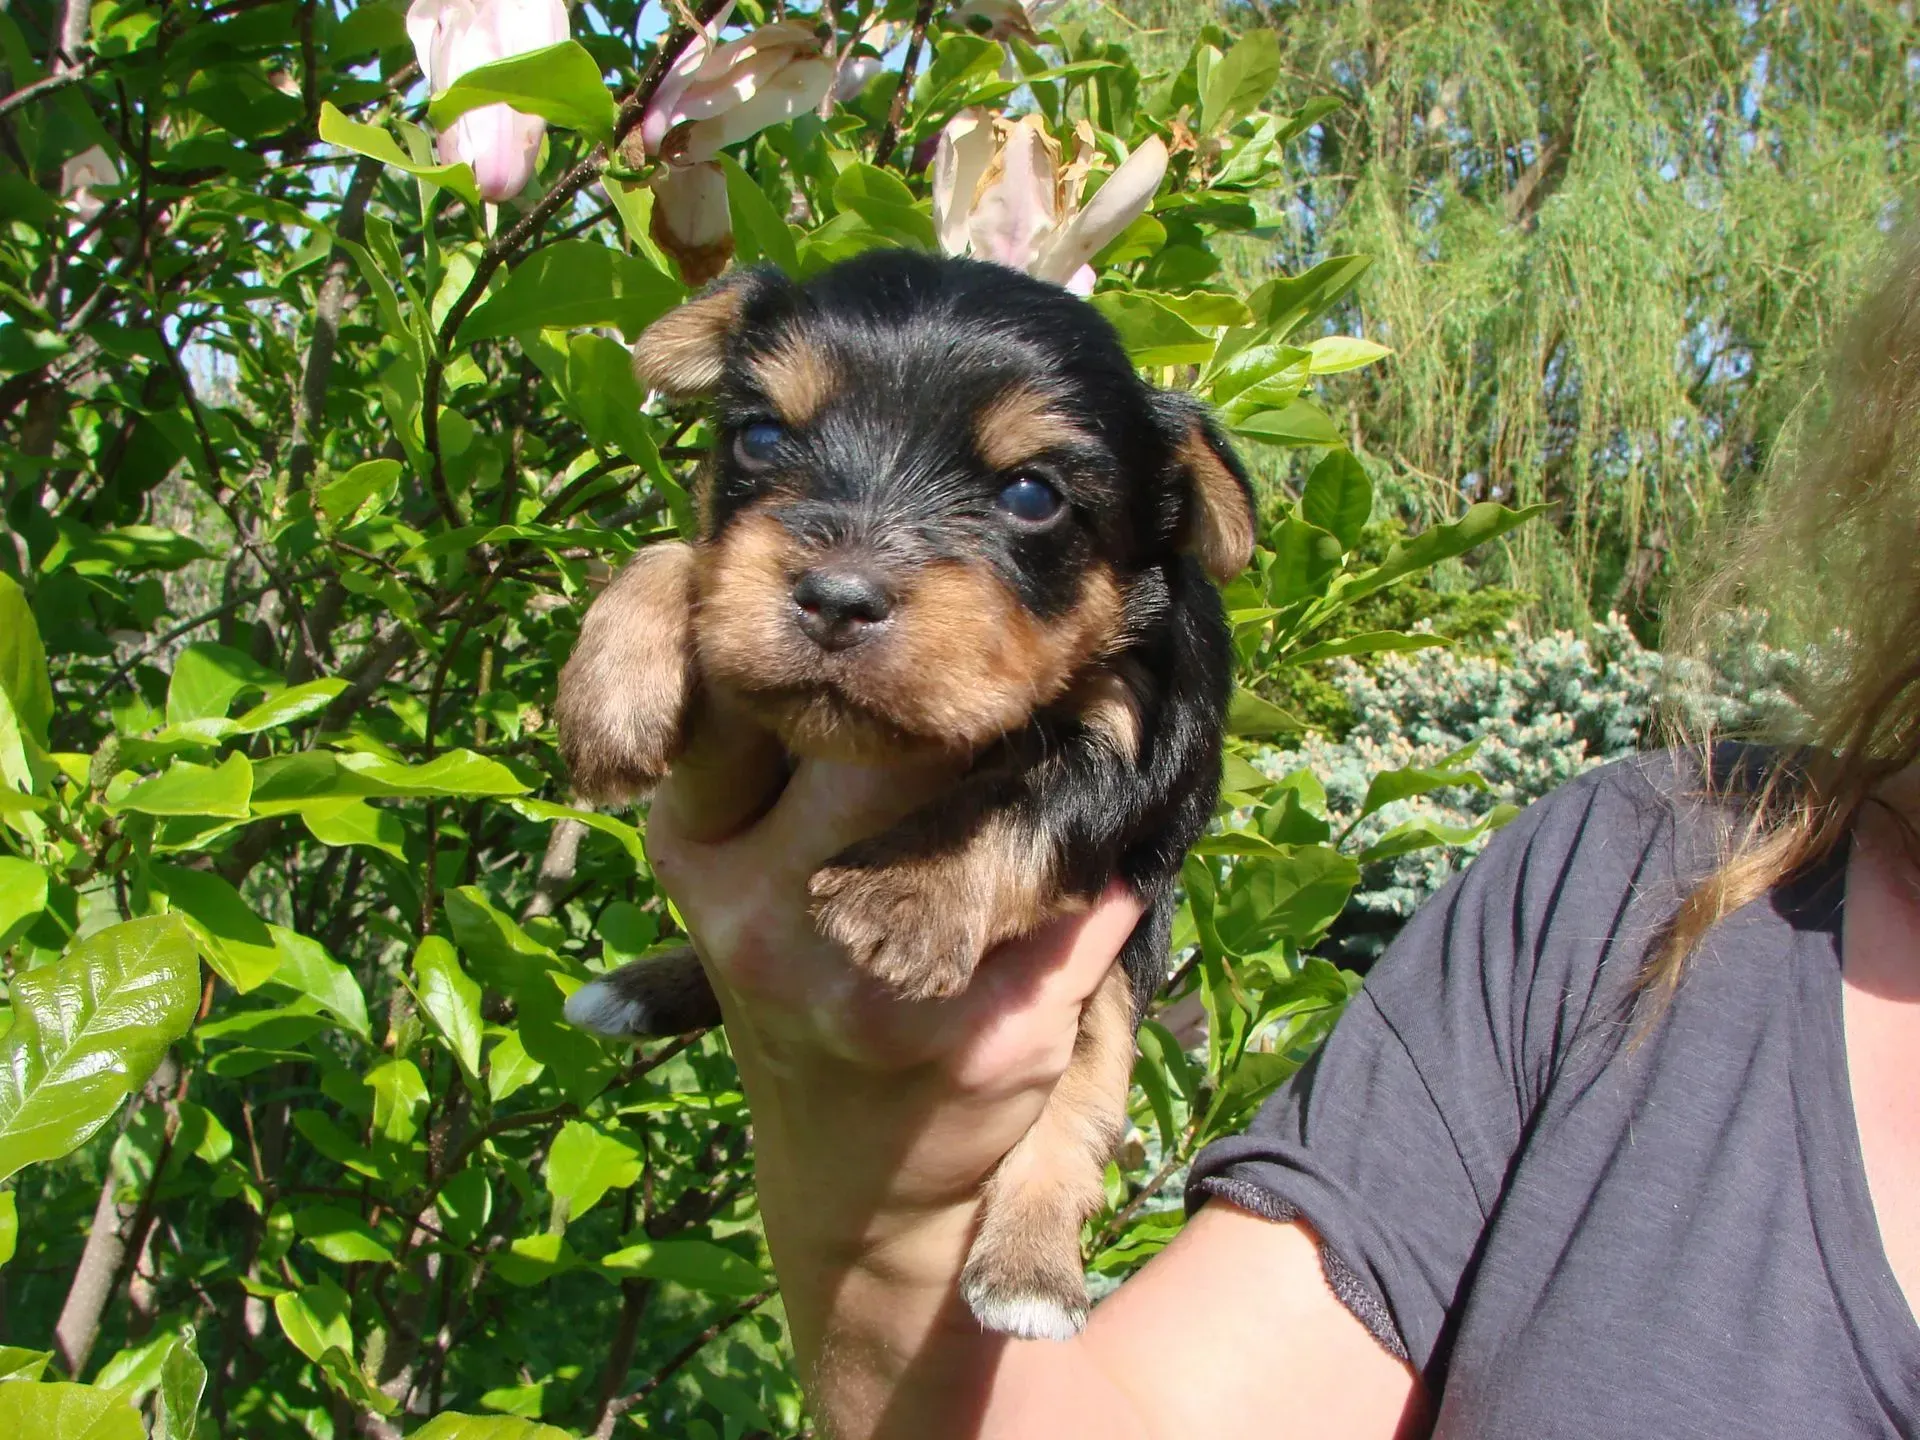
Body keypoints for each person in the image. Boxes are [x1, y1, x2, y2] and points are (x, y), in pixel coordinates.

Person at [637, 230, 1920, 1439]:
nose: (848, 574)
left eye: (1030, 497)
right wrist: (882, 1183)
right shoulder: (1627, 888)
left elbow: (1113, 810)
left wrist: (972, 886)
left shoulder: (1141, 694)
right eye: (762, 436)